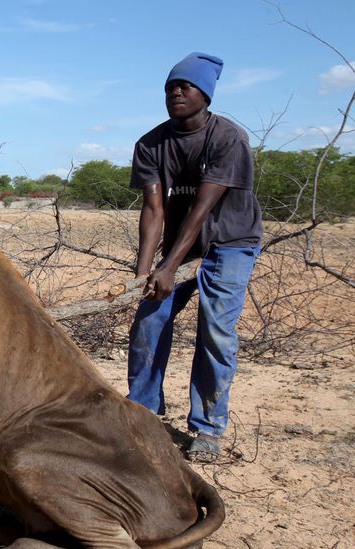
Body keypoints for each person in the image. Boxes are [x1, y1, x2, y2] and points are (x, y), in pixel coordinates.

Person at [126, 52, 263, 462]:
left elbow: (202, 209)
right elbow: (154, 211)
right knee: (149, 320)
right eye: (170, 87)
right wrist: (144, 272)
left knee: (215, 330)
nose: (176, 93)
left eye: (185, 86)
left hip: (231, 241)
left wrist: (168, 267)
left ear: (206, 93)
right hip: (184, 245)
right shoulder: (151, 144)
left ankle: (206, 428)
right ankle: (143, 412)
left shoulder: (228, 138)